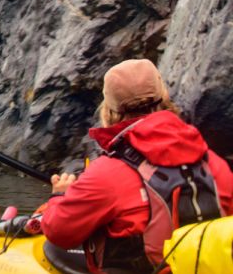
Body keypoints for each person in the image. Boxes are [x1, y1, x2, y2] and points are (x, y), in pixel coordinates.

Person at [41, 59, 233, 274]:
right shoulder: (215, 164)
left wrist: (59, 197)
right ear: (165, 97)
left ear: (108, 111)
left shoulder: (106, 174)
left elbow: (58, 232)